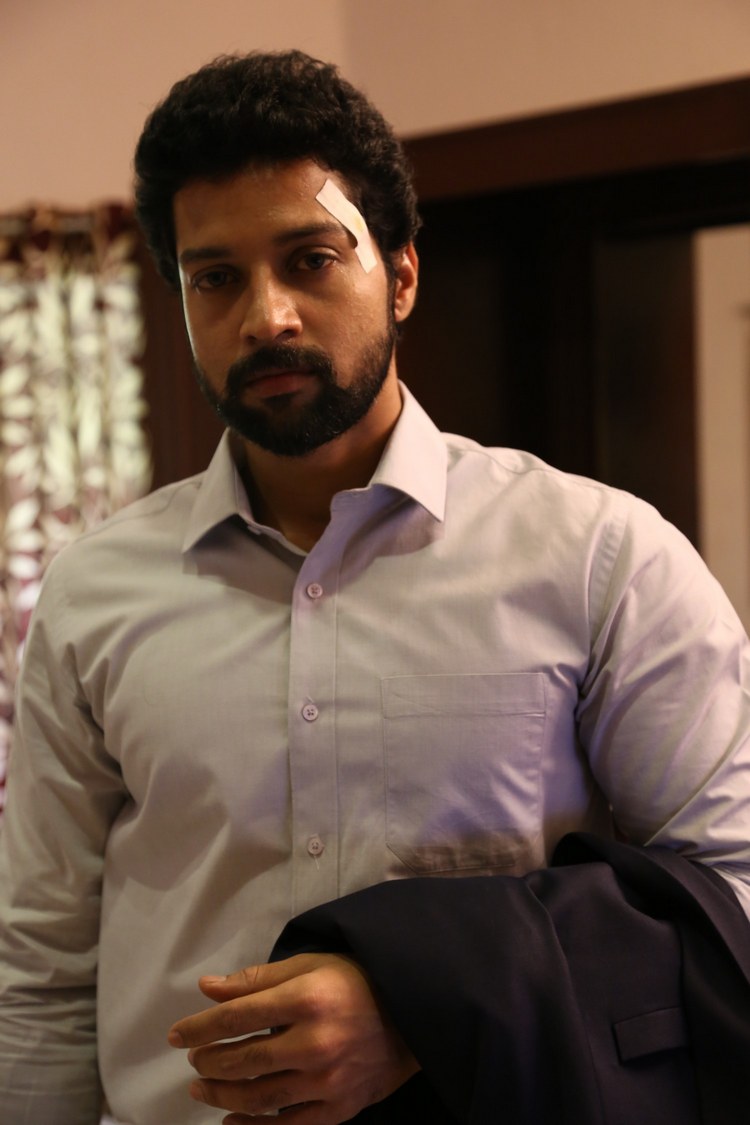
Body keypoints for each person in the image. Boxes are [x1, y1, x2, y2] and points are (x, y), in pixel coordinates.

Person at [1, 49, 750, 1125]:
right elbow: (41, 970)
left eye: (310, 259)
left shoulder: (599, 556)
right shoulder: (93, 595)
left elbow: (731, 894)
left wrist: (426, 1002)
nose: (266, 316)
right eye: (216, 278)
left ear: (399, 275)